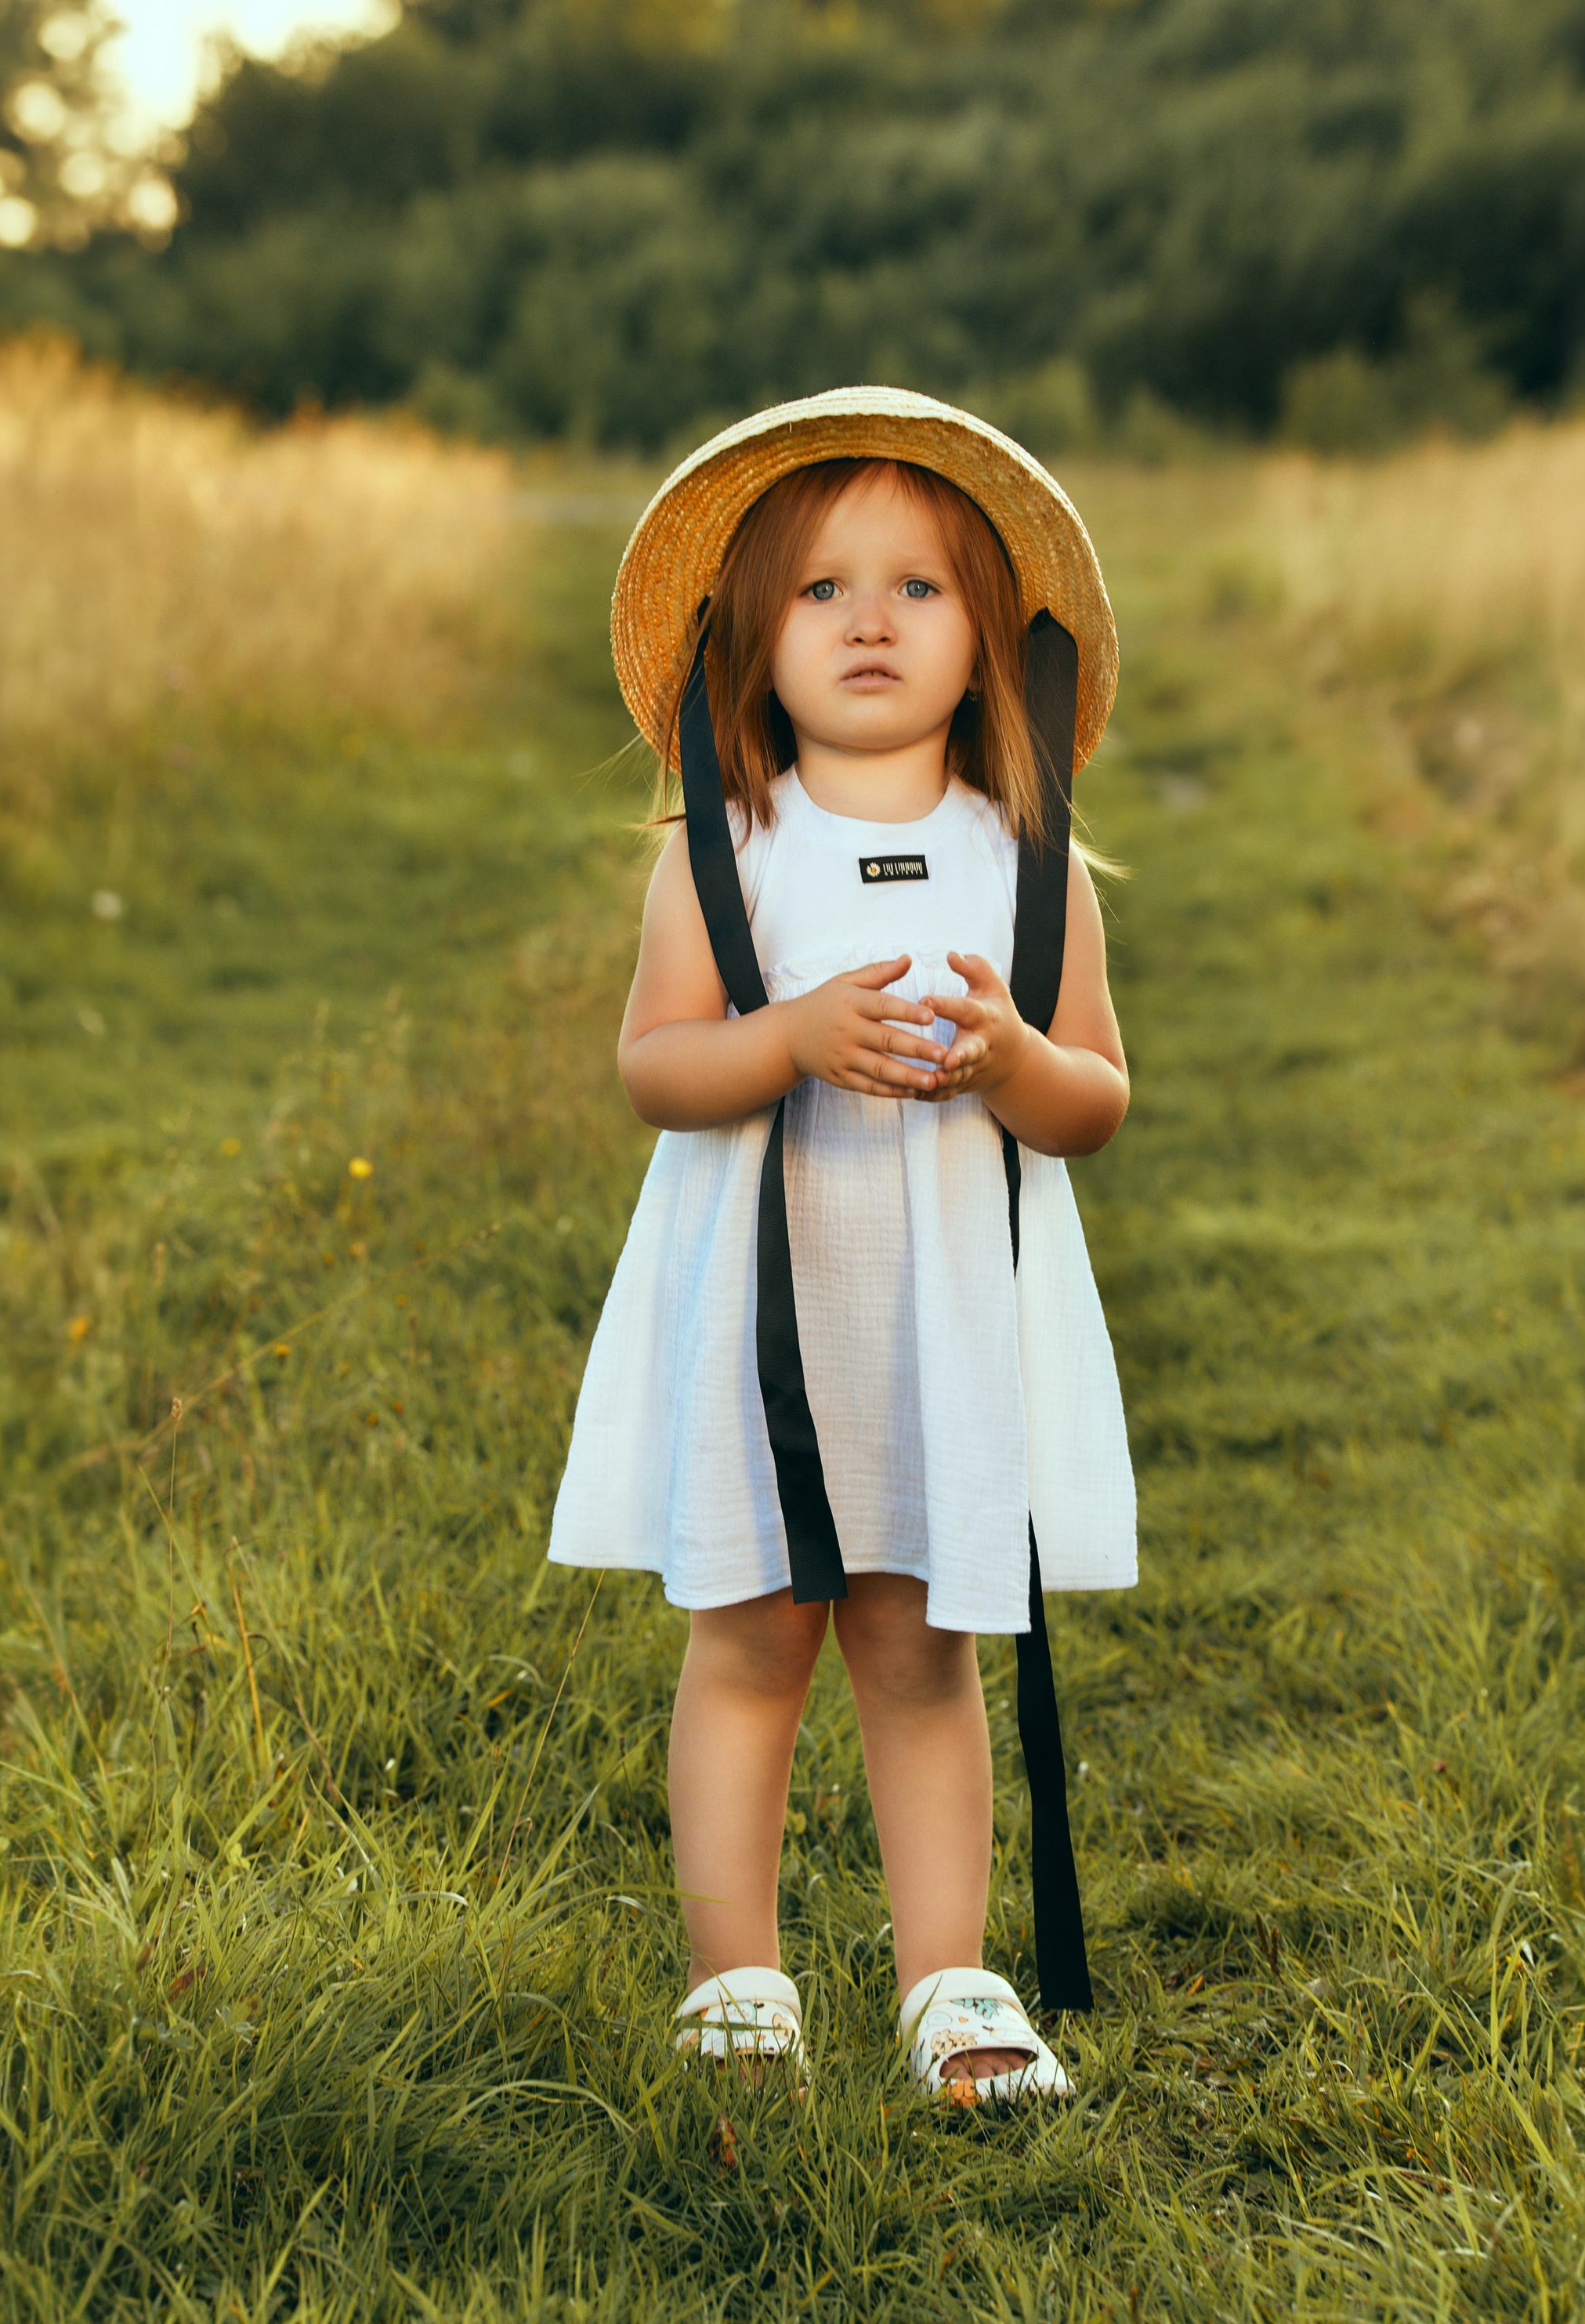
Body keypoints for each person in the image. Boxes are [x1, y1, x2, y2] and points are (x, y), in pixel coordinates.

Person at [549, 389, 1136, 2101]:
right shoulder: (725, 857)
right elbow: (658, 1066)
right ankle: (737, 1989)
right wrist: (786, 1037)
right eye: (818, 588)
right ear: (748, 637)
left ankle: (946, 1983)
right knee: (747, 1634)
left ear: (988, 642)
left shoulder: (1029, 869)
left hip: (937, 1327)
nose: (865, 619)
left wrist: (1018, 1063)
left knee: (917, 1642)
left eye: (913, 588)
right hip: (758, 1321)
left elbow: (1092, 1097)